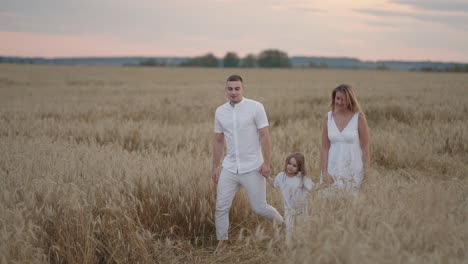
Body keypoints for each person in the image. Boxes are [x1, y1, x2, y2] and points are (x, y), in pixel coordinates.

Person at [212, 75, 284, 250]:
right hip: (229, 167)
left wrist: (266, 163)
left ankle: (284, 226)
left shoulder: (256, 107)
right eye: (230, 89)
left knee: (260, 207)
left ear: (243, 89)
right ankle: (222, 242)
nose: (233, 92)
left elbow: (265, 136)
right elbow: (219, 140)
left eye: (237, 88)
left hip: (253, 166)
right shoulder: (220, 111)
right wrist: (215, 166)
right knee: (221, 207)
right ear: (226, 90)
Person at [320, 84, 370, 195]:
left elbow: (365, 149)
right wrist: (324, 172)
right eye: (338, 98)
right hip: (332, 170)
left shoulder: (359, 117)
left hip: (354, 171)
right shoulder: (328, 117)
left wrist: (366, 174)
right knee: (329, 203)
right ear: (334, 98)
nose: (340, 102)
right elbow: (324, 147)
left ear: (350, 100)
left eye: (344, 99)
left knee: (353, 205)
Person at [266, 152, 314, 235]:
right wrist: (266, 177)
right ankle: (290, 247)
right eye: (289, 163)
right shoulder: (281, 176)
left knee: (302, 232)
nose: (291, 167)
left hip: (302, 210)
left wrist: (325, 184)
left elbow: (314, 188)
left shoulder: (302, 178)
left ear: (299, 168)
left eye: (294, 165)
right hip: (289, 210)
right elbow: (274, 184)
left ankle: (301, 246)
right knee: (289, 232)